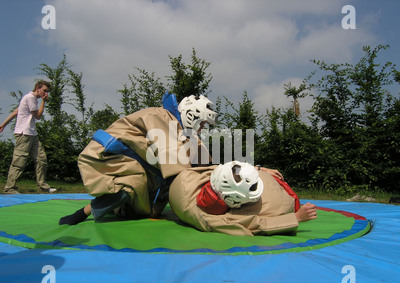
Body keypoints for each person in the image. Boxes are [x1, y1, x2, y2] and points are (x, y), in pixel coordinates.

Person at [59, 92, 217, 225]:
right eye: (202, 123)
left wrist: (218, 174)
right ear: (192, 115)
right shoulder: (161, 118)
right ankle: (86, 211)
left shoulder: (183, 131)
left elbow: (203, 160)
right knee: (133, 184)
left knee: (151, 208)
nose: (202, 127)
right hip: (104, 158)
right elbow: (176, 163)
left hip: (129, 162)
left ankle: (120, 208)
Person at [169, 161, 318, 236]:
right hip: (284, 201)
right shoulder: (214, 220)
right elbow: (257, 224)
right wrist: (296, 218)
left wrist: (259, 169)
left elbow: (230, 168)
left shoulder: (189, 178)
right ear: (235, 202)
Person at [0, 80, 56, 194]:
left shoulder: (30, 99)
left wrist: (3, 125)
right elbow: (38, 116)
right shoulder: (30, 98)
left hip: (32, 134)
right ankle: (9, 188)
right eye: (44, 91)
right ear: (37, 88)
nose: (45, 94)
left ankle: (42, 186)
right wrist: (43, 102)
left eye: (47, 92)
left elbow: (15, 112)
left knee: (41, 159)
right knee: (19, 161)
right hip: (24, 134)